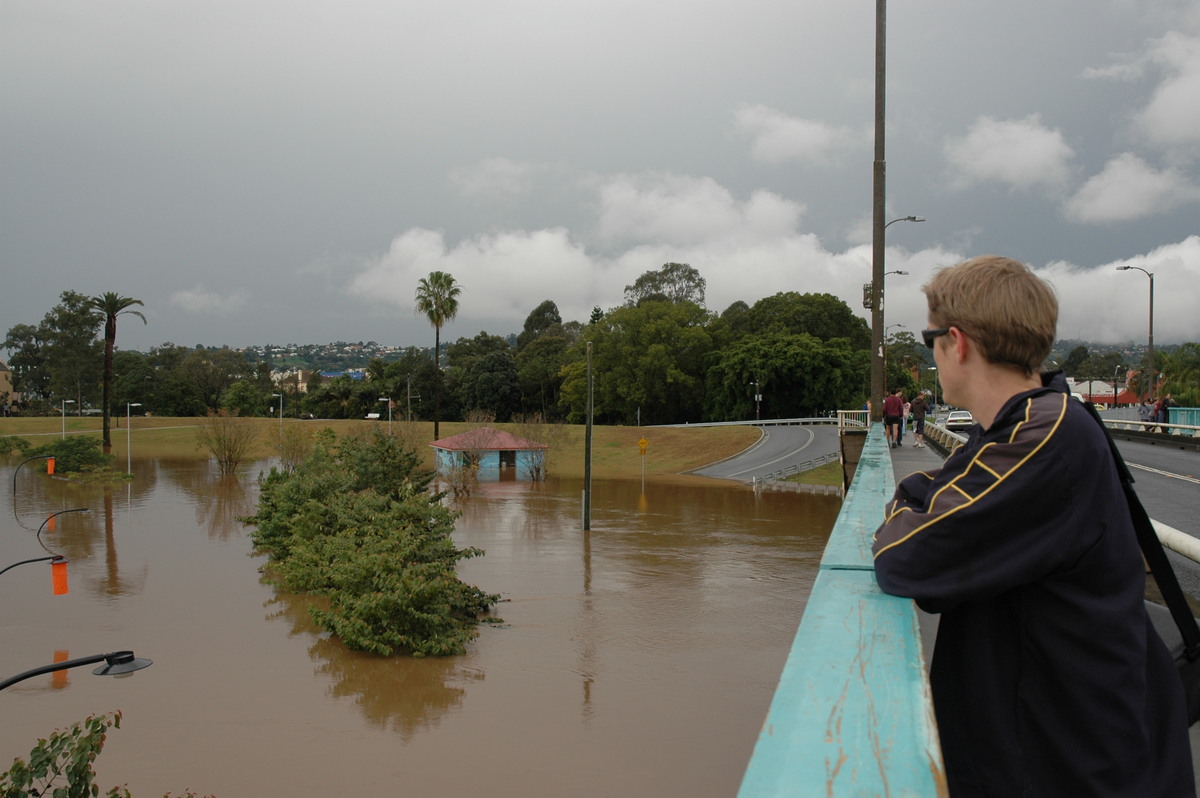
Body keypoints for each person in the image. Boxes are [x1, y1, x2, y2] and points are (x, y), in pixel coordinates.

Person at [871, 256, 1193, 797]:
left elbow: (906, 558)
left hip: (1067, 762)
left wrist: (904, 518)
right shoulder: (1030, 422)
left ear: (958, 342)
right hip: (1066, 741)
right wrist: (915, 505)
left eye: (931, 339)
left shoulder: (1041, 439)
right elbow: (925, 493)